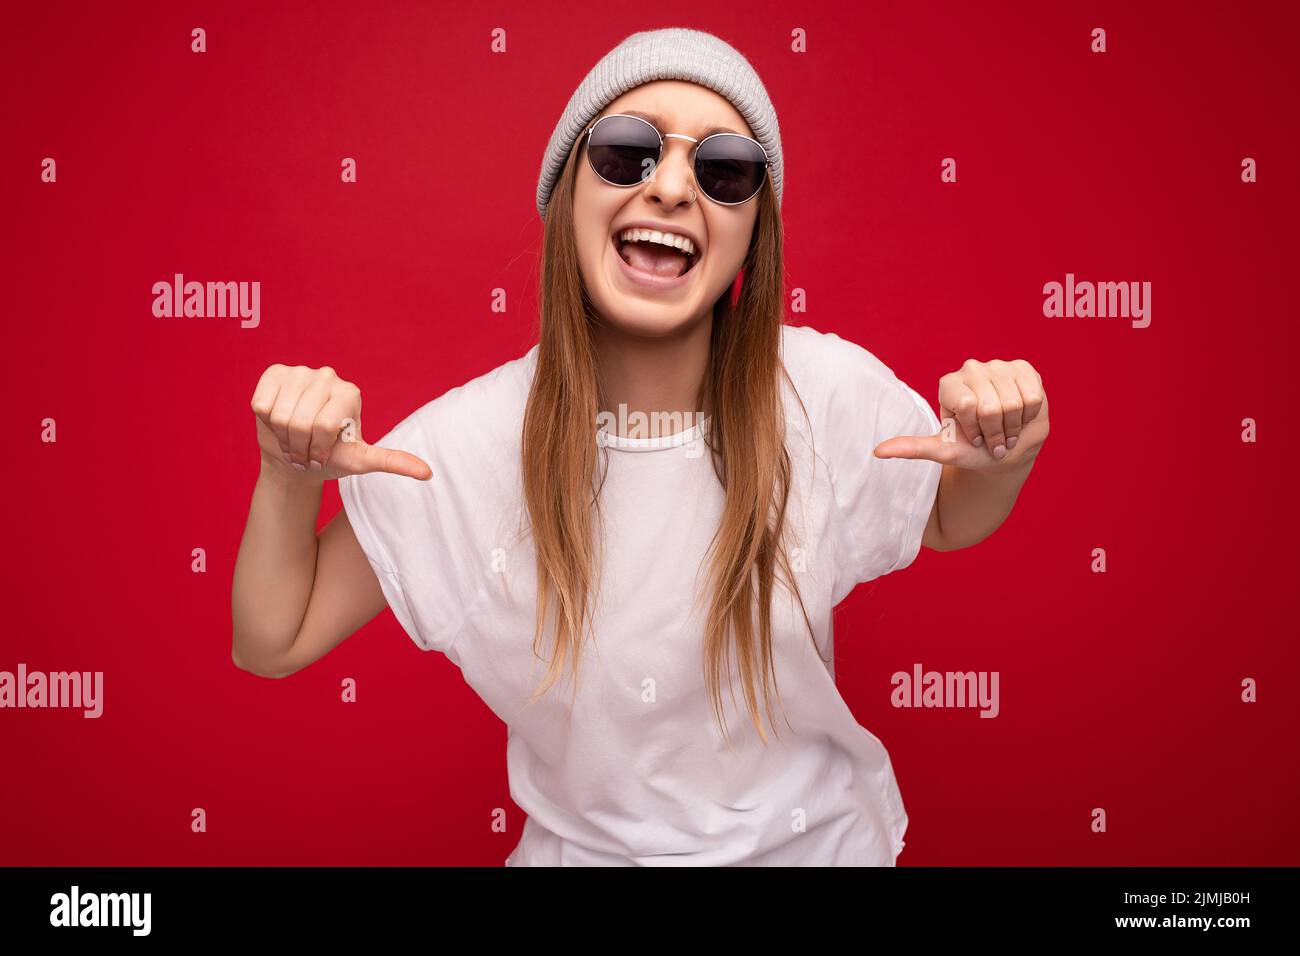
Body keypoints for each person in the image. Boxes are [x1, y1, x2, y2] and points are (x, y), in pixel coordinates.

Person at [231, 27, 1049, 866]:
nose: (670, 188)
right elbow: (272, 638)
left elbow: (948, 517)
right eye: (627, 152)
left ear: (752, 233)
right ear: (566, 198)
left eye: (724, 171)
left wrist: (1002, 455)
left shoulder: (821, 390)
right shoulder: (466, 448)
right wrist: (287, 471)